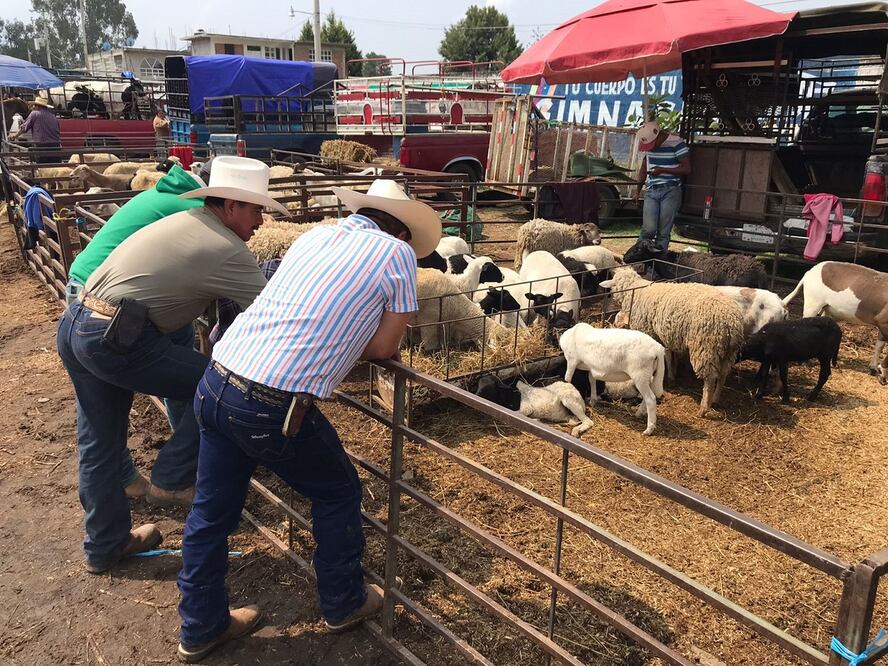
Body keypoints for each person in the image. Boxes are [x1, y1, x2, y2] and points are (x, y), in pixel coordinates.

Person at [175, 179, 441, 663]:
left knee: (210, 515)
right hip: (272, 402)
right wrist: (345, 336)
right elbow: (385, 347)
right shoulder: (398, 255)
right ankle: (344, 601)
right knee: (337, 491)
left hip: (217, 378)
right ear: (403, 232)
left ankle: (199, 626)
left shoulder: (315, 234)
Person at [56, 156, 288, 575]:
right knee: (220, 390)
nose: (261, 221)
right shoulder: (226, 247)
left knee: (99, 443)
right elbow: (274, 315)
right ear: (231, 206)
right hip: (116, 338)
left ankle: (105, 544)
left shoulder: (186, 220)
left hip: (78, 321)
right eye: (256, 209)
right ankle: (173, 476)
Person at [65, 161, 213, 498]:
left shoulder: (162, 193)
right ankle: (175, 471)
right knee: (105, 403)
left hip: (92, 291)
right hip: (108, 304)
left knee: (104, 400)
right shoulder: (193, 209)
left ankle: (166, 464)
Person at [633, 120, 691, 252]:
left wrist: (663, 170)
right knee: (649, 229)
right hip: (652, 189)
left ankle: (657, 258)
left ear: (658, 136)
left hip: (671, 189)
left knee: (663, 231)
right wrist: (637, 191)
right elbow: (643, 169)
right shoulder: (649, 145)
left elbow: (687, 169)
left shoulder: (677, 143)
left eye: (653, 144)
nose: (652, 147)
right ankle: (639, 255)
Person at [11, 97, 61, 164]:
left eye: (34, 105)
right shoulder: (53, 116)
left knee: (41, 167)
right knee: (55, 167)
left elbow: (24, 128)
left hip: (41, 146)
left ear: (37, 106)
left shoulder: (34, 114)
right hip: (55, 146)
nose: (33, 107)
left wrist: (14, 136)